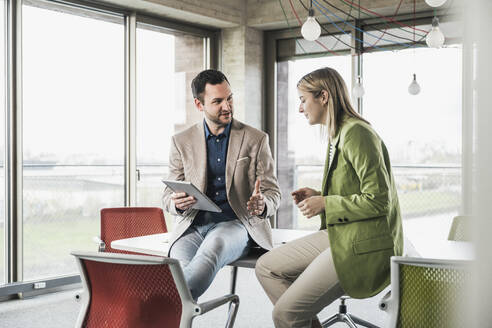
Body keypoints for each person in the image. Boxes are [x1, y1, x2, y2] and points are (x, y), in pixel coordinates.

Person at [255, 67, 403, 328]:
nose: (300, 109)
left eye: (303, 100)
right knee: (266, 267)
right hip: (344, 232)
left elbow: (380, 201)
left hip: (364, 243)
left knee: (285, 315)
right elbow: (358, 192)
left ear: (323, 96)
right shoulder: (339, 134)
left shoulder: (357, 133)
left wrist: (326, 203)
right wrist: (321, 196)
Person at [162, 69, 281, 300]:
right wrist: (176, 203)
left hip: (236, 224)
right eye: (217, 101)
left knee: (211, 250)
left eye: (229, 98)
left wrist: (263, 204)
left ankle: (162, 304)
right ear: (199, 104)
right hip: (192, 226)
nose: (227, 106)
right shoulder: (181, 141)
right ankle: (173, 308)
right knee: (178, 270)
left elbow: (273, 193)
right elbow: (167, 195)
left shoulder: (256, 139)